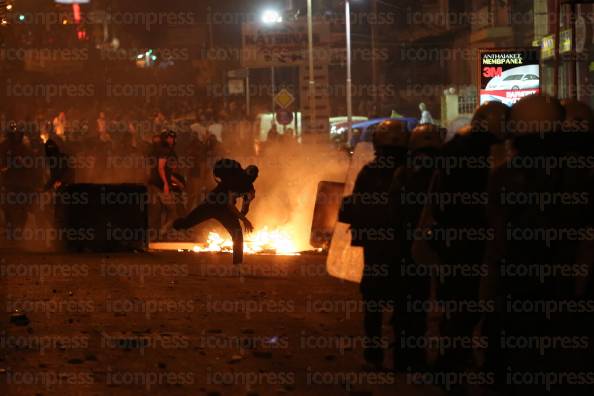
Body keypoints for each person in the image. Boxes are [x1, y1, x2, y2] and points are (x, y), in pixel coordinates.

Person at [341, 119, 410, 370]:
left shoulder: (370, 171)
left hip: (377, 247)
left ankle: (373, 353)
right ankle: (405, 357)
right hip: (405, 247)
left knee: (373, 300)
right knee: (406, 302)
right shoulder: (413, 170)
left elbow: (354, 206)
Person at [389, 124, 444, 372]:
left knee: (405, 305)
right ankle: (417, 358)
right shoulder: (442, 174)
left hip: (405, 248)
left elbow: (392, 211)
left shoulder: (403, 174)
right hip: (427, 247)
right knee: (420, 306)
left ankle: (404, 357)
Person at [173, 160, 259, 266]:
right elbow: (230, 206)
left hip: (222, 209)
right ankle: (176, 224)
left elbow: (243, 210)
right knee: (186, 223)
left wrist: (248, 201)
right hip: (212, 204)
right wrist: (244, 219)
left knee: (237, 234)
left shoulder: (249, 187)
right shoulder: (236, 179)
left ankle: (238, 264)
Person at [148, 130, 183, 240]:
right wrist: (166, 184)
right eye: (168, 138)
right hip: (159, 185)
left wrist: (176, 182)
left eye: (172, 138)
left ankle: (154, 237)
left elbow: (166, 171)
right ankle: (162, 233)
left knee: (156, 213)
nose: (171, 140)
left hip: (154, 184)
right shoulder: (164, 150)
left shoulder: (160, 150)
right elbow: (161, 168)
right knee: (173, 212)